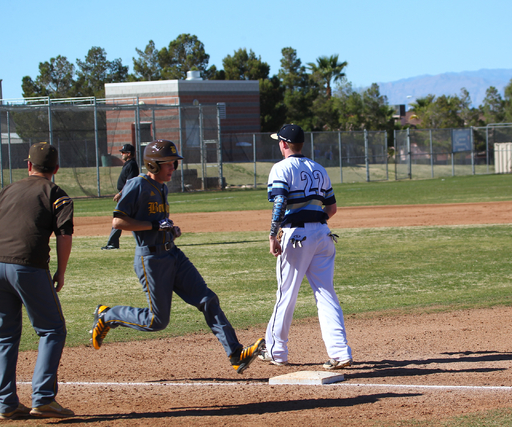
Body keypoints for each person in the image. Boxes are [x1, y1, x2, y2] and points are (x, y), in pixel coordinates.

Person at [90, 139, 264, 374]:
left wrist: (170, 229)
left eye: (175, 163)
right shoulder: (137, 185)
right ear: (153, 165)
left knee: (207, 299)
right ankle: (108, 315)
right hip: (151, 260)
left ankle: (236, 353)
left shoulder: (162, 186)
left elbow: (158, 223)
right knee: (157, 321)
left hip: (172, 254)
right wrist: (154, 226)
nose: (174, 168)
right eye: (169, 163)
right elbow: (118, 221)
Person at [0, 142, 75, 420]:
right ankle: (43, 398)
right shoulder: (57, 194)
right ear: (56, 169)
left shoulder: (6, 191)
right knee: (52, 330)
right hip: (28, 266)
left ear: (29, 166)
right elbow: (64, 236)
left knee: (5, 336)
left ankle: (6, 404)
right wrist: (61, 271)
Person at [260, 124, 352, 369]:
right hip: (323, 235)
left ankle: (277, 351)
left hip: (296, 236)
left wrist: (272, 235)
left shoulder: (281, 168)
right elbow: (331, 209)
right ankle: (341, 353)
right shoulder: (319, 168)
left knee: (286, 295)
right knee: (326, 293)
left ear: (283, 144)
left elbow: (280, 201)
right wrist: (316, 226)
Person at [102, 144, 139, 250]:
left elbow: (130, 183)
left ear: (129, 154)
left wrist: (120, 193)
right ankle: (147, 241)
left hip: (128, 196)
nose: (121, 154)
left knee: (119, 218)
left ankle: (113, 243)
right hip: (128, 196)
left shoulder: (132, 164)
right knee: (135, 220)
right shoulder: (128, 164)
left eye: (123, 152)